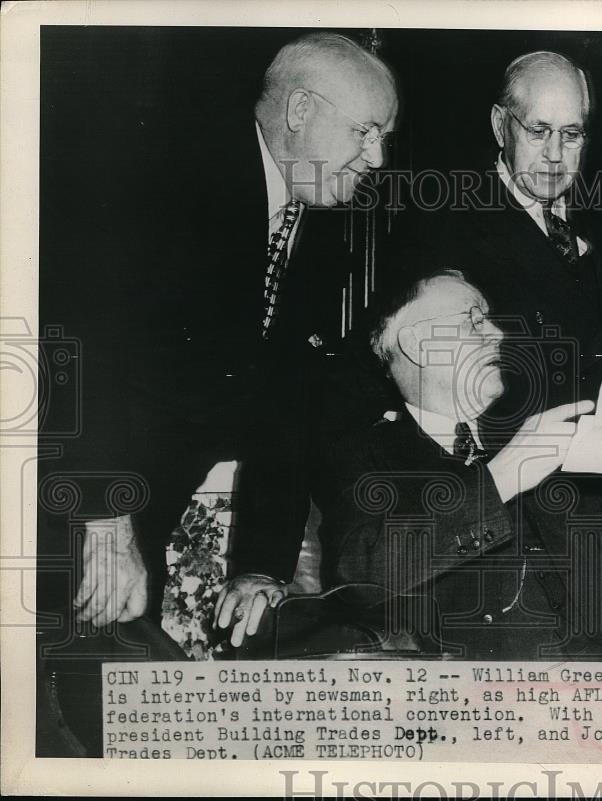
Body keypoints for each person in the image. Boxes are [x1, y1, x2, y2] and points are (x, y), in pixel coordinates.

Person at [65, 32, 398, 630]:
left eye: (384, 138)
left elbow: (287, 406)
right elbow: (83, 341)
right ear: (300, 110)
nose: (377, 158)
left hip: (143, 515)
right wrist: (104, 519)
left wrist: (262, 566)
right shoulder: (169, 173)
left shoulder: (316, 230)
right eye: (365, 131)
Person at [245, 269, 602, 659]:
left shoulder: (536, 435)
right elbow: (365, 573)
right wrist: (504, 475)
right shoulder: (365, 456)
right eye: (473, 320)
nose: (498, 334)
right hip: (520, 701)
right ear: (417, 344)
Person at [397, 50, 602, 446]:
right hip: (505, 477)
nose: (555, 154)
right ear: (499, 125)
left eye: (571, 134)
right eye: (538, 131)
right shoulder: (442, 220)